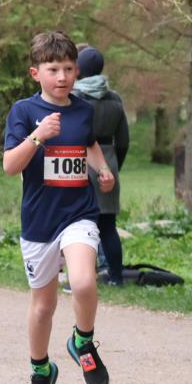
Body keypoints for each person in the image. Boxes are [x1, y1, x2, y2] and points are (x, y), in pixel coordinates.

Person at [3, 31, 115, 384]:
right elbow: (10, 166)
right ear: (36, 73)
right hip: (39, 222)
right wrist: (37, 136)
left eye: (68, 68)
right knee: (44, 306)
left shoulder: (83, 110)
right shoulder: (23, 111)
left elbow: (89, 144)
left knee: (83, 282)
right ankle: (40, 371)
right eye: (53, 69)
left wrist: (101, 169)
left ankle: (82, 342)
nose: (63, 76)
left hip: (78, 213)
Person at [72, 46, 130, 286]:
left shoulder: (74, 97)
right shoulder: (114, 98)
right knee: (108, 226)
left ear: (79, 69)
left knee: (80, 227)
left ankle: (82, 277)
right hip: (108, 163)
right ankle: (116, 278)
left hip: (78, 161)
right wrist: (113, 166)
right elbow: (123, 140)